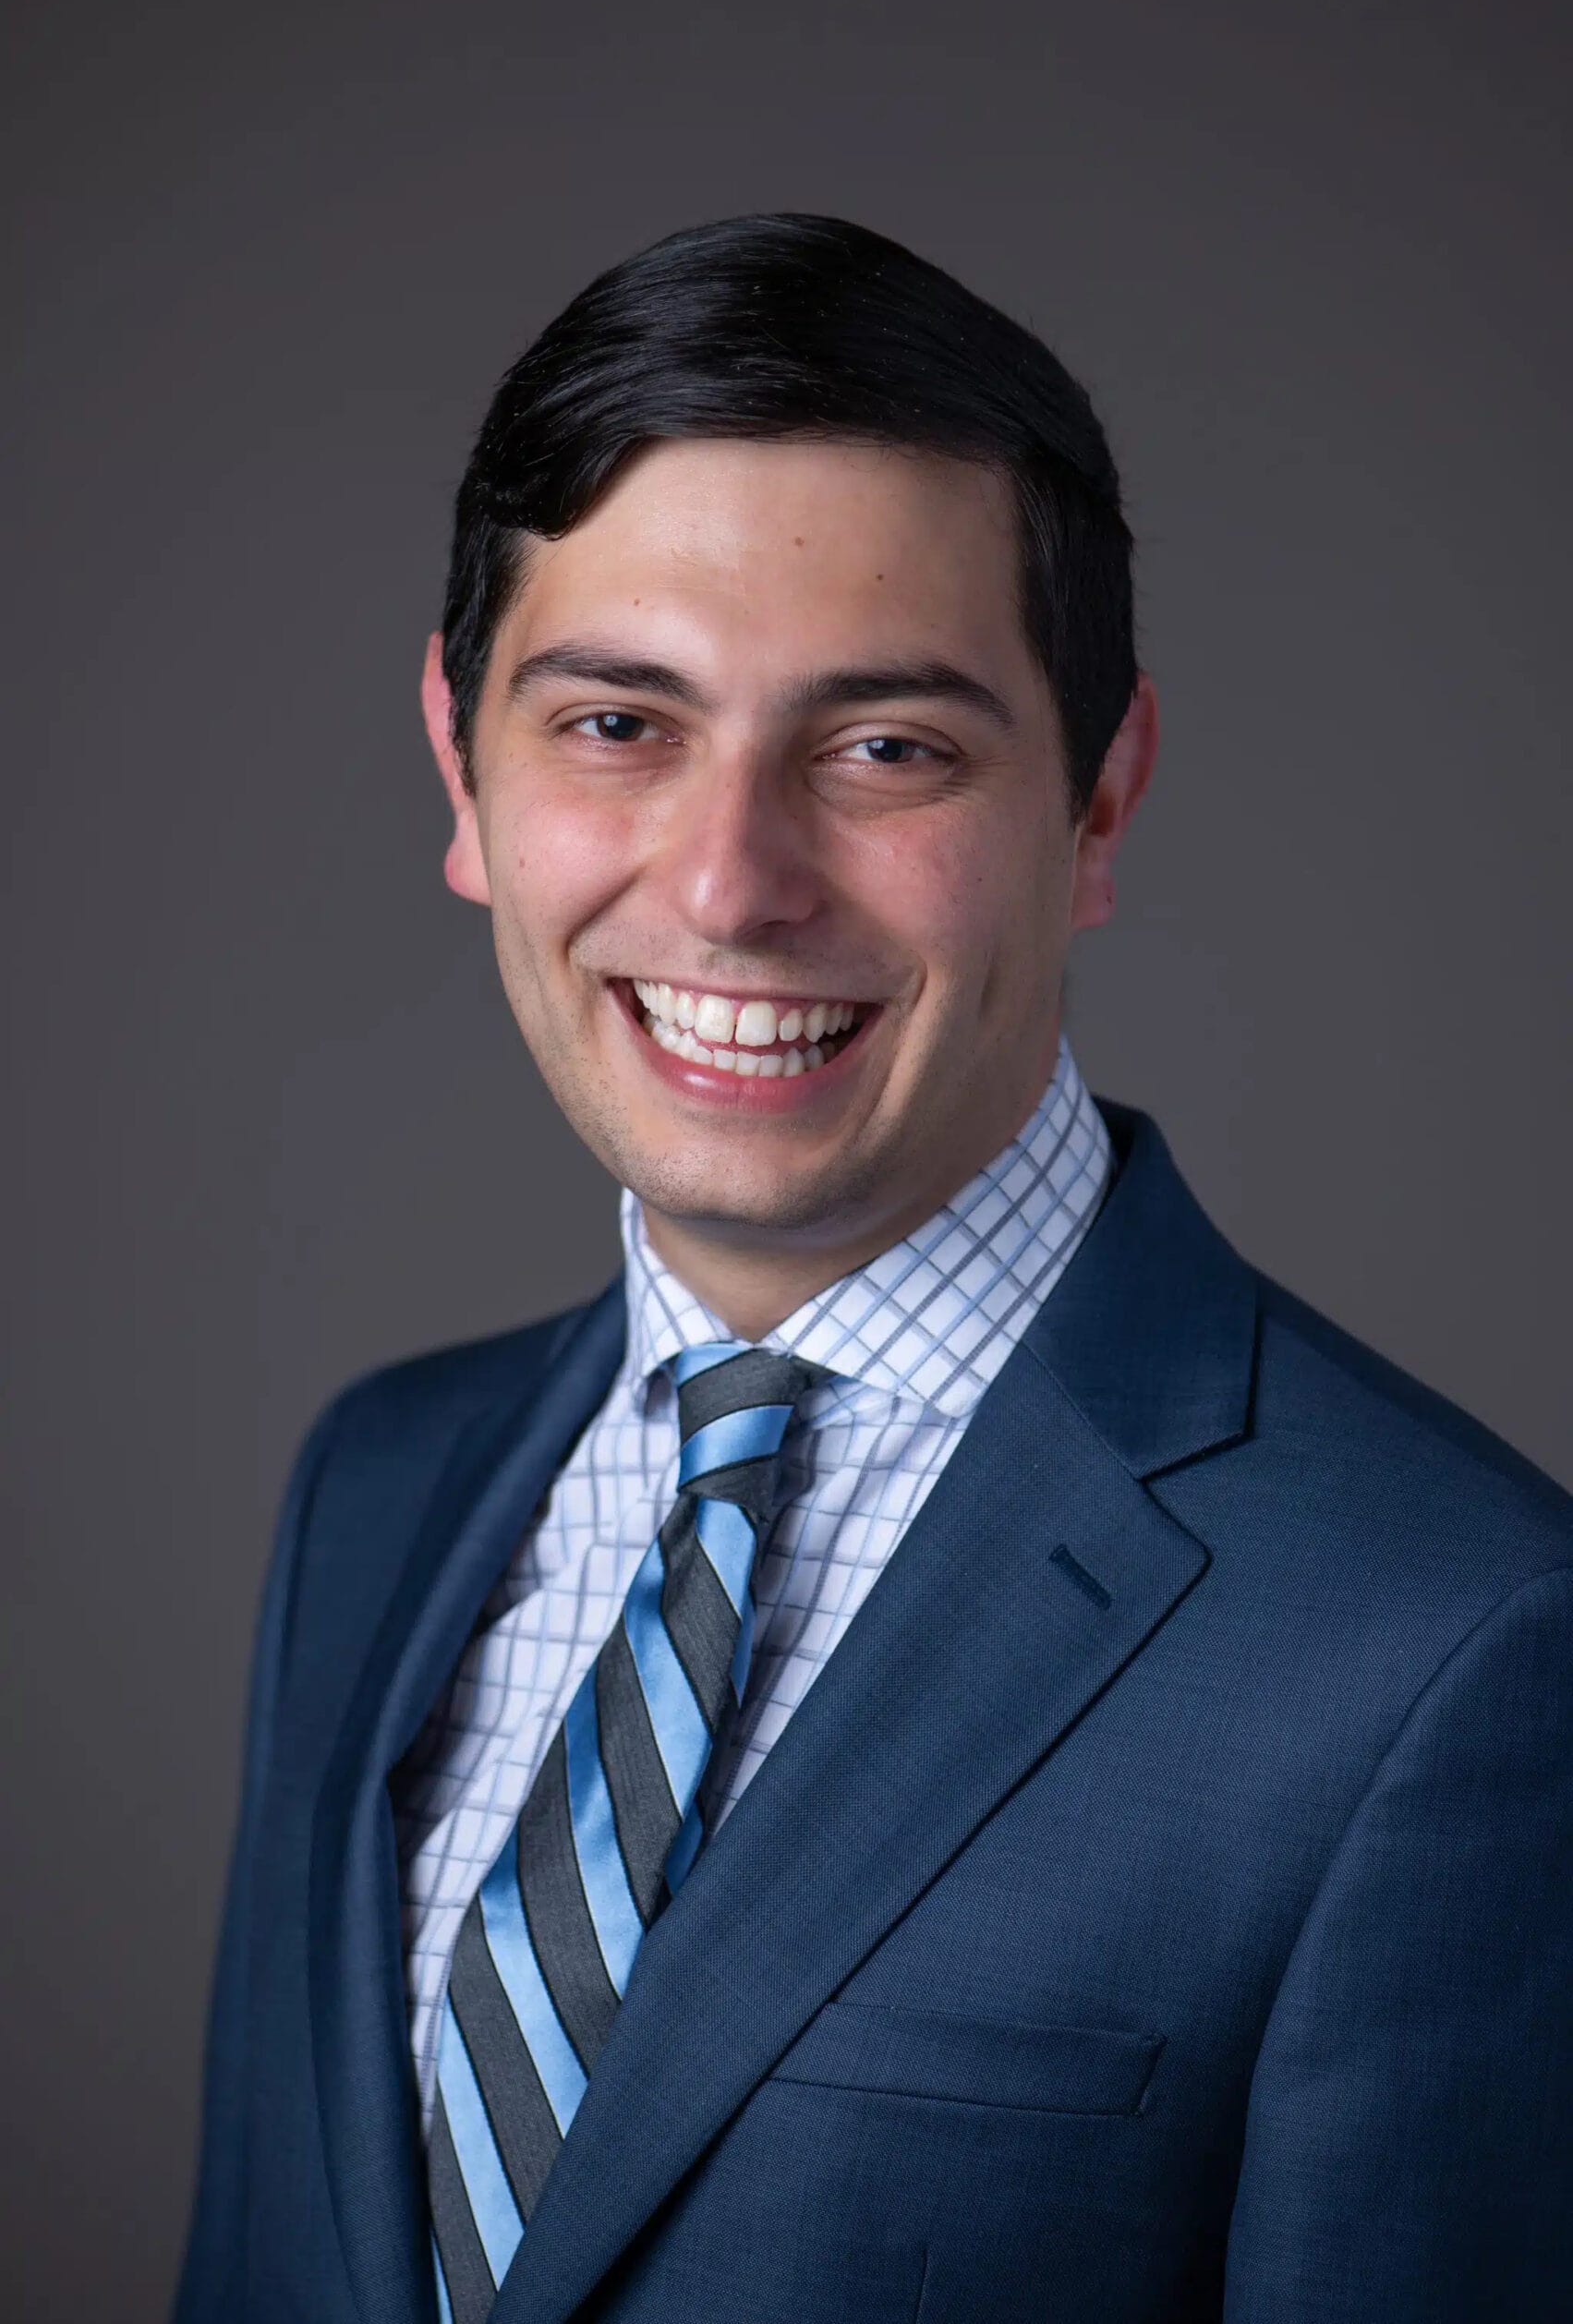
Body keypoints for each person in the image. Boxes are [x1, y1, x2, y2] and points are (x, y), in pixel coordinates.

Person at [175, 213, 1573, 2324]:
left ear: (1099, 801)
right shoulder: (376, 1491)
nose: (732, 881)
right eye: (619, 723)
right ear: (464, 766)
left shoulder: (1453, 1649)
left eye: (889, 748)